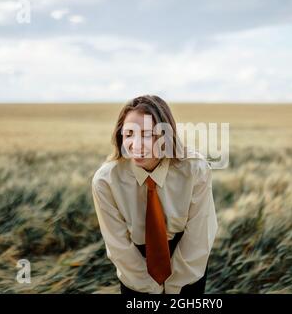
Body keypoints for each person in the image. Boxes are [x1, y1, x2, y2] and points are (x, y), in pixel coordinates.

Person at [91, 95, 218, 294]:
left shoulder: (195, 169)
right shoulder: (105, 181)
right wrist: (149, 288)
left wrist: (175, 288)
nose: (136, 143)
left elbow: (199, 235)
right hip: (135, 267)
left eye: (148, 134)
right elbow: (119, 246)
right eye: (129, 134)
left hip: (187, 263)